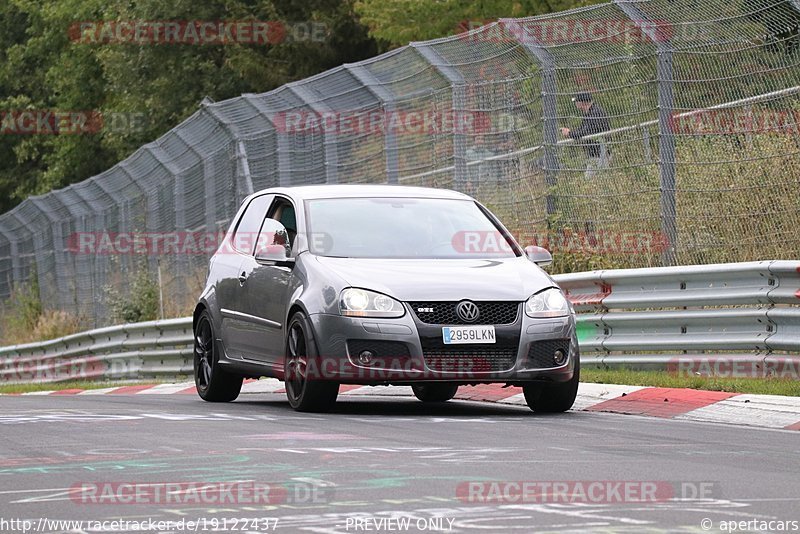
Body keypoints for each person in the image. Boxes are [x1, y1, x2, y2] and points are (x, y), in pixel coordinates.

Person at [560, 92, 611, 179]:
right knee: (593, 180)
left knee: (593, 179)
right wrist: (570, 132)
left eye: (577, 101)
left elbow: (585, 132)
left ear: (582, 102)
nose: (576, 103)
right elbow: (582, 129)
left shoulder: (595, 112)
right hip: (595, 153)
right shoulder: (590, 112)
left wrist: (569, 133)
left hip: (600, 152)